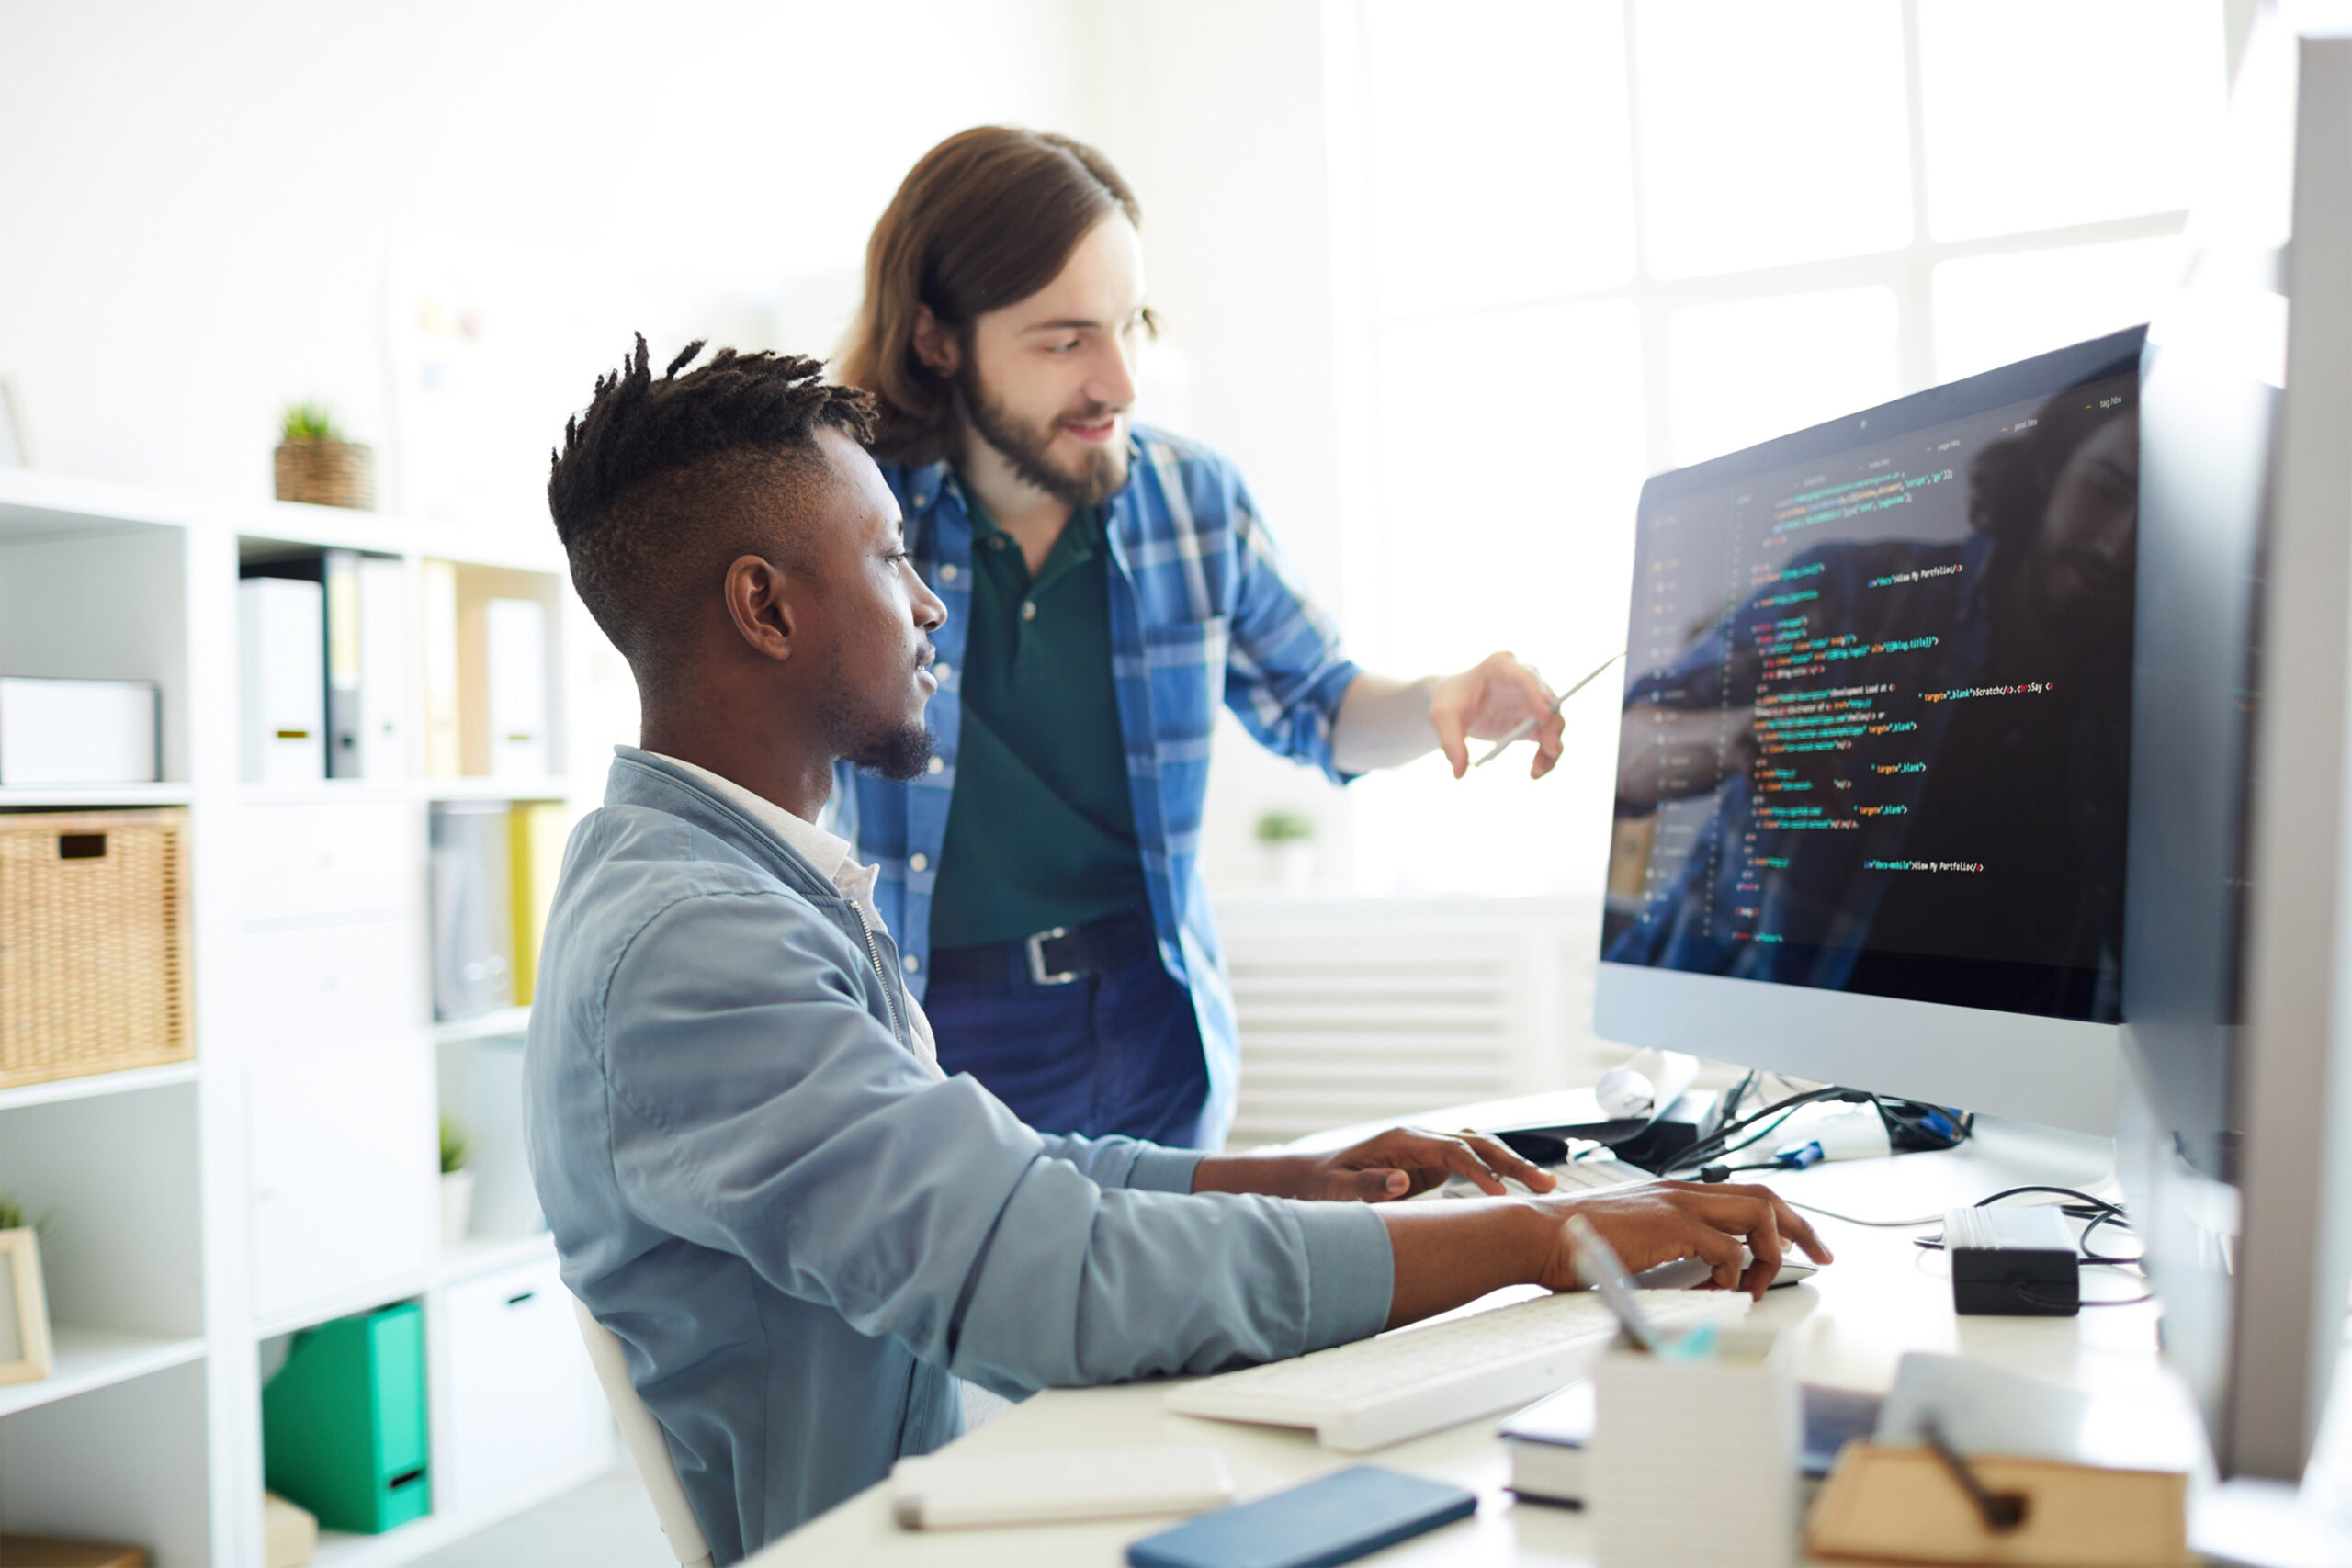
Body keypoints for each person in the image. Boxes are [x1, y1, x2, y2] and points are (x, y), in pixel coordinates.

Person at [524, 341, 1830, 1561]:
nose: (930, 604)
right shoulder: (693, 942)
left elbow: (1013, 1178)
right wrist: (1551, 1236)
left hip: (948, 1473)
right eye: (887, 558)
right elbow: (1050, 1272)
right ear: (764, 605)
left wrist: (1300, 1175)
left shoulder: (733, 875)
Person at [834, 126, 1568, 1149]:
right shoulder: (851, 515)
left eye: (1129, 326)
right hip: (929, 1028)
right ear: (936, 340)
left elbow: (1320, 704)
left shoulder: (1193, 501)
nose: (1120, 381)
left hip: (1148, 1027)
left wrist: (1440, 697)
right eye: (1064, 341)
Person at [1606, 381, 2139, 1019]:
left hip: (2000, 1093)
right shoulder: (1851, 592)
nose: (2117, 546)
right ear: (2050, 468)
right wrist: (1741, 735)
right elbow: (1625, 751)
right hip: (1727, 1038)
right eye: (2105, 492)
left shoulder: (2152, 702)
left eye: (2155, 519)